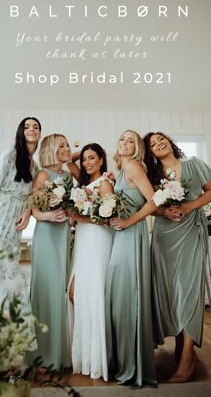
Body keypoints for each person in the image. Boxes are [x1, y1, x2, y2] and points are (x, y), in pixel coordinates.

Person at [143, 131, 211, 383]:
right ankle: (181, 345)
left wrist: (189, 205)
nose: (159, 143)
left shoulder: (194, 164)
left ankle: (187, 358)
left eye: (161, 139)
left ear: (169, 142)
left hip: (191, 230)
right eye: (152, 144)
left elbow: (210, 191)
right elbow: (148, 205)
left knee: (190, 289)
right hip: (164, 237)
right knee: (171, 291)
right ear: (150, 152)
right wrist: (163, 211)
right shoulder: (152, 176)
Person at [105, 130, 158, 387]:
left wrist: (128, 221)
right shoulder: (123, 169)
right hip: (121, 236)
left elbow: (154, 202)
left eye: (131, 141)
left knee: (127, 296)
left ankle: (131, 364)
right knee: (119, 295)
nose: (124, 143)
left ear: (137, 148)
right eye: (122, 139)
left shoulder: (135, 166)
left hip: (132, 233)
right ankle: (122, 360)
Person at [0, 117, 41, 317]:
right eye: (27, 126)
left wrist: (28, 213)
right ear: (21, 132)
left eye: (36, 127)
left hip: (13, 224)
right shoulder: (10, 154)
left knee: (7, 271)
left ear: (40, 133)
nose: (31, 129)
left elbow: (32, 197)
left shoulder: (36, 167)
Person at [24, 133, 72, 369]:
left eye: (66, 145)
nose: (66, 148)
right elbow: (33, 209)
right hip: (46, 236)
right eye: (61, 145)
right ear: (52, 148)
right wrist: (48, 215)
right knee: (46, 291)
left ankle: (58, 353)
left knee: (59, 292)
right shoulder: (43, 174)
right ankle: (41, 356)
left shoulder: (68, 175)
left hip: (63, 236)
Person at [67, 143, 113, 381]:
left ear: (102, 160)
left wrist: (78, 216)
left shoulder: (105, 183)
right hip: (83, 241)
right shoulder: (84, 183)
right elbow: (68, 160)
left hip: (97, 240)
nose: (86, 162)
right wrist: (82, 151)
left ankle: (98, 358)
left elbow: (109, 219)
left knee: (92, 294)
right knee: (75, 294)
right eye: (84, 158)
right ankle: (85, 355)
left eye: (92, 158)